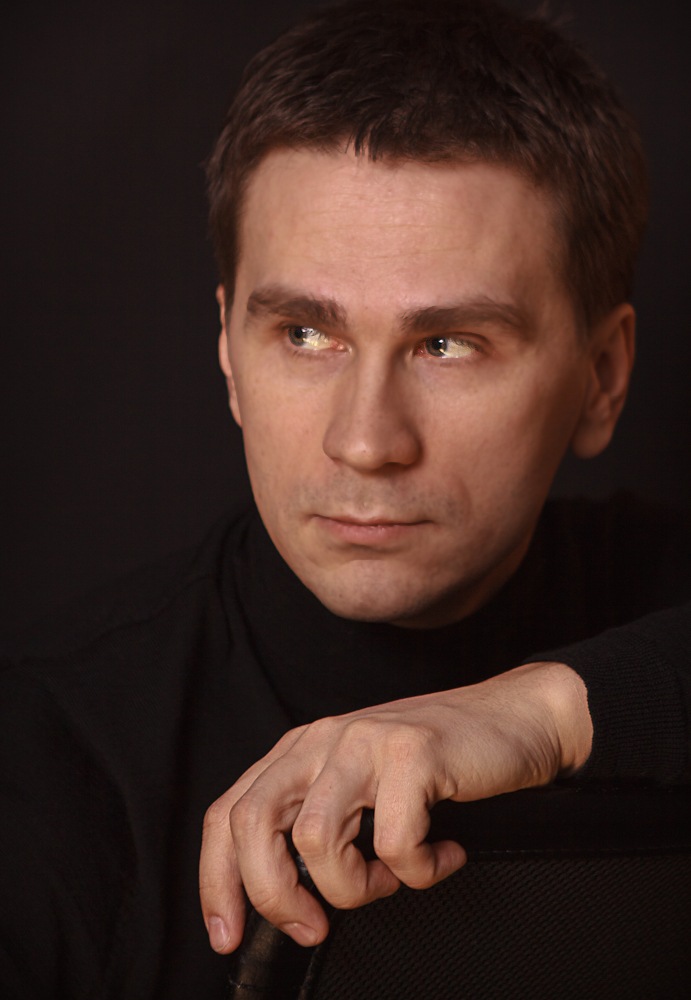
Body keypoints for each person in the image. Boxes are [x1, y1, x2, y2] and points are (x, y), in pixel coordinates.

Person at [1, 0, 689, 997]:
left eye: (446, 344)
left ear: (603, 377)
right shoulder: (45, 762)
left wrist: (548, 710)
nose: (364, 442)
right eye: (304, 335)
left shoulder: (658, 594)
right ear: (227, 351)